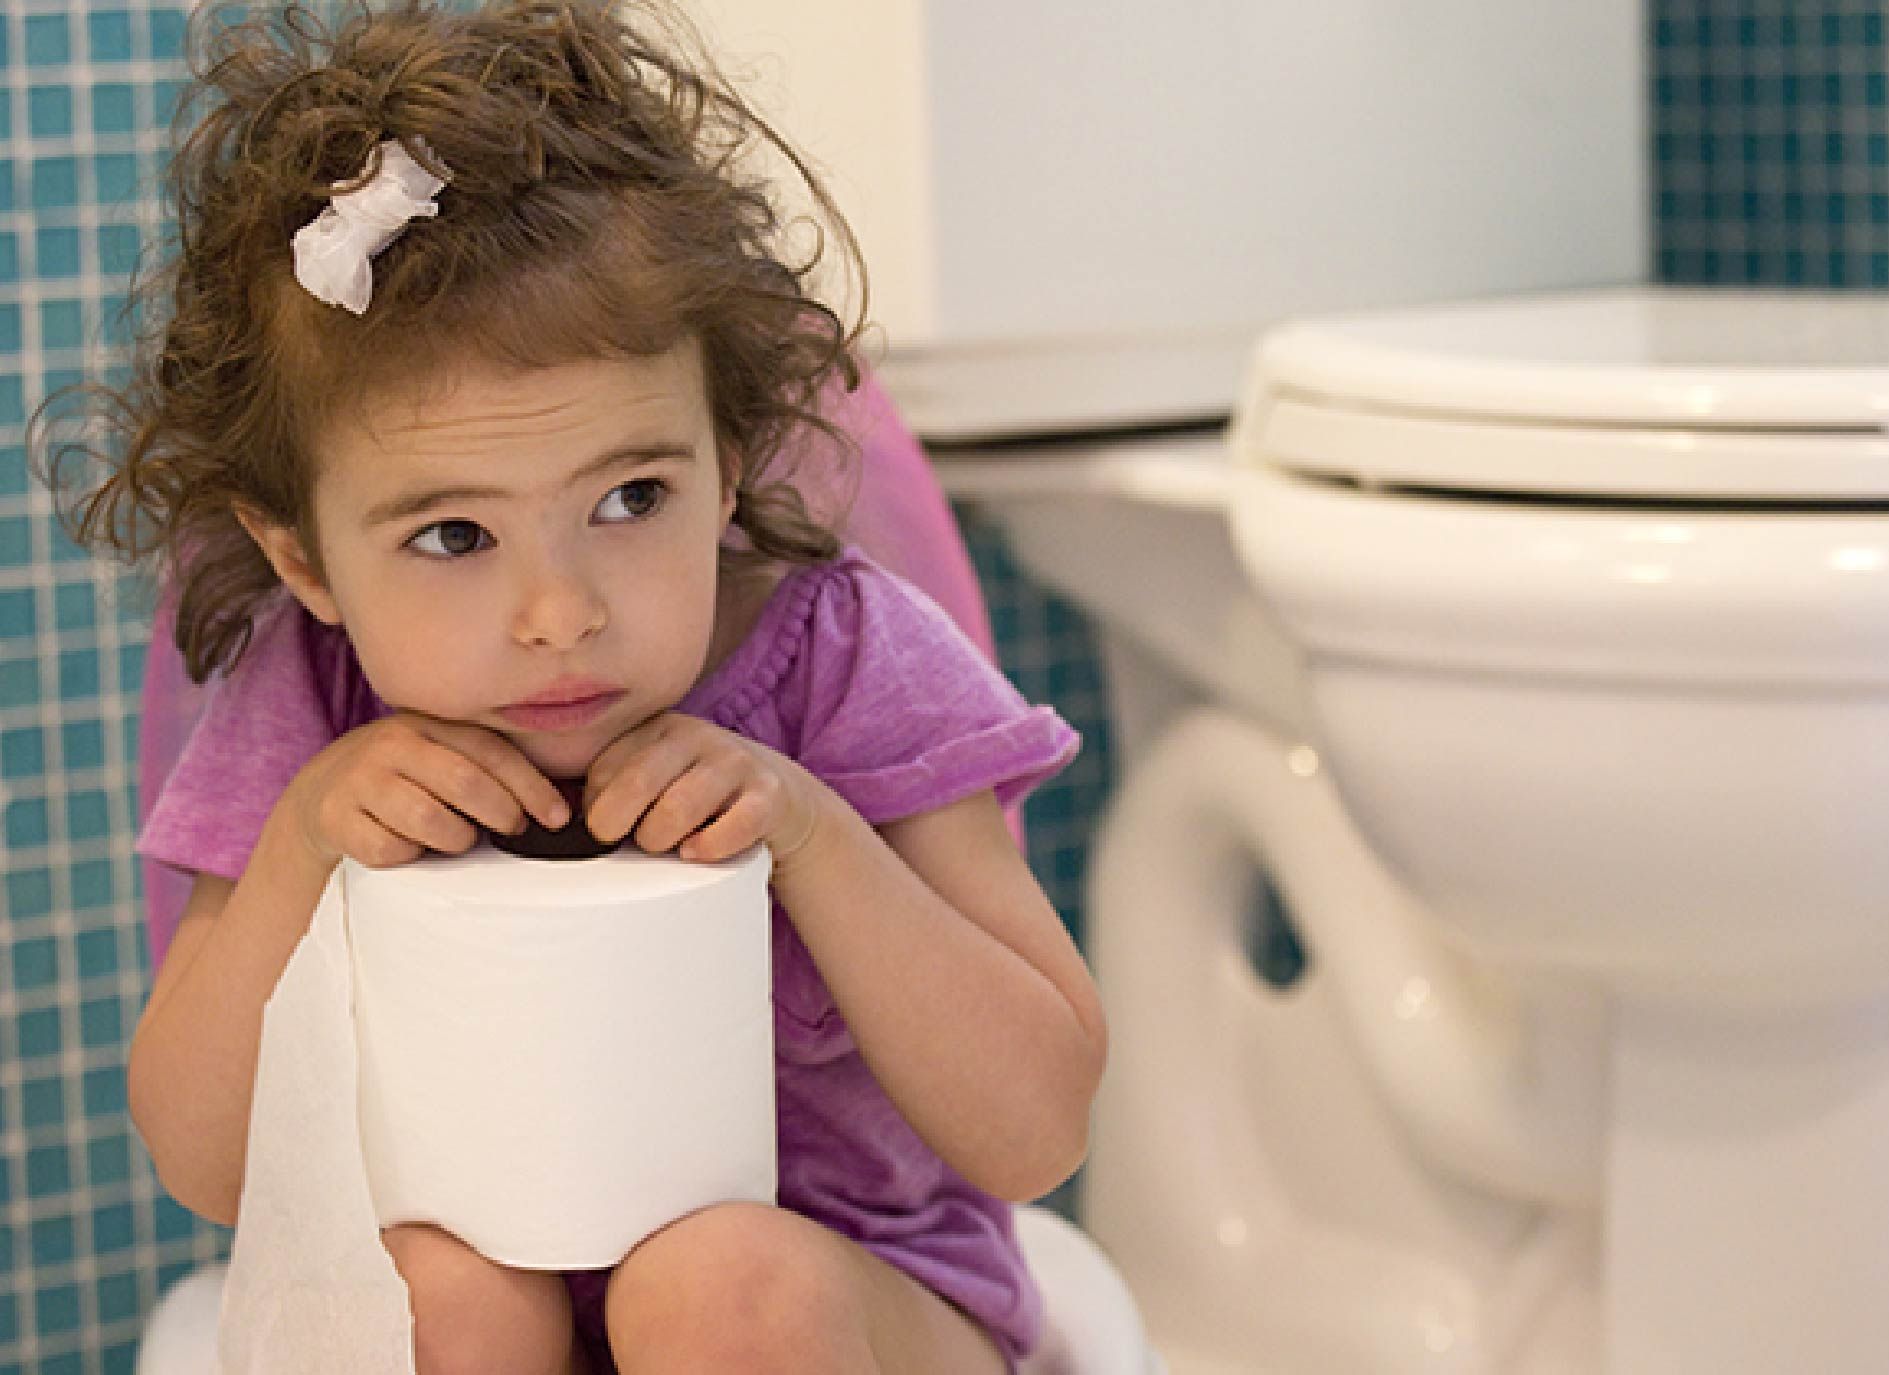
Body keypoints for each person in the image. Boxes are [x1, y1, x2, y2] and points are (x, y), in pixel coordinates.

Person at [40, 2, 1107, 1371]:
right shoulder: (309, 705)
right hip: (495, 1291)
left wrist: (811, 834)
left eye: (629, 496)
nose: (558, 614)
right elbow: (206, 1163)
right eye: (451, 536)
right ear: (301, 557)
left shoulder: (847, 662)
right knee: (434, 1299)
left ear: (732, 461)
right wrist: (306, 838)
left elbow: (1037, 1132)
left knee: (717, 1287)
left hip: (847, 1305)